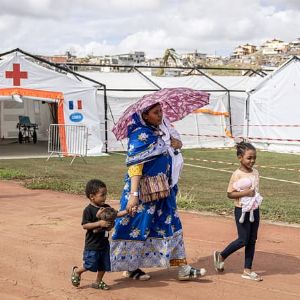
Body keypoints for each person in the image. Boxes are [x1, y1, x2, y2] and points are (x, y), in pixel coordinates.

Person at [110, 102, 206, 281]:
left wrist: (175, 143)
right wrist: (133, 196)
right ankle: (131, 268)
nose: (160, 115)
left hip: (163, 191)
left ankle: (182, 267)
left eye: (161, 111)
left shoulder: (160, 131)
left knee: (172, 226)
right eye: (156, 112)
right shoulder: (140, 135)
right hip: (142, 194)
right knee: (135, 227)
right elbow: (135, 167)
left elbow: (172, 148)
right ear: (145, 116)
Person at [213, 141, 263, 281]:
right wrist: (245, 193)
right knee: (243, 239)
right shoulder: (237, 174)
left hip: (254, 211)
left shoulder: (256, 172)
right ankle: (221, 255)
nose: (252, 161)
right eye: (249, 158)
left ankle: (247, 270)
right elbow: (230, 194)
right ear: (240, 157)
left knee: (252, 240)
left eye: (254, 158)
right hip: (241, 211)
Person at [71, 179, 130, 290]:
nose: (105, 197)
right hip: (92, 244)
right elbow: (85, 225)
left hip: (104, 243)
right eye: (102, 195)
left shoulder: (106, 207)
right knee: (90, 263)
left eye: (105, 194)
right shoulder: (88, 210)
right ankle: (77, 271)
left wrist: (127, 211)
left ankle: (98, 282)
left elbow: (116, 214)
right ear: (92, 196)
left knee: (104, 264)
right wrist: (99, 223)